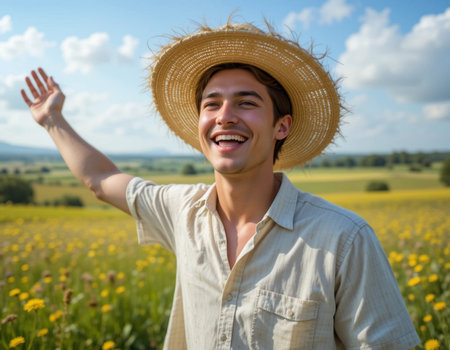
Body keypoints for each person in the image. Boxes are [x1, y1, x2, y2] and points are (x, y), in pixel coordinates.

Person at [21, 21, 420, 349]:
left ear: (282, 126)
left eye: (247, 103)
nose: (225, 116)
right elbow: (100, 179)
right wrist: (52, 120)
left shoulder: (344, 239)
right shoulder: (182, 211)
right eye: (211, 104)